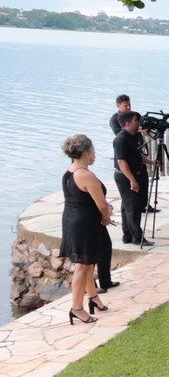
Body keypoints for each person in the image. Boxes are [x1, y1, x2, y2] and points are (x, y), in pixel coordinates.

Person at [60, 135, 113, 324]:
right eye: (93, 151)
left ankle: (93, 298)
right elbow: (102, 205)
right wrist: (106, 217)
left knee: (88, 263)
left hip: (73, 220)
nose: (95, 154)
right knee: (82, 267)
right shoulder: (85, 175)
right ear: (85, 153)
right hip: (84, 225)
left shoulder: (70, 171)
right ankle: (76, 308)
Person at [113, 110, 154, 247]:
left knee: (127, 206)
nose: (138, 124)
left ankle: (127, 235)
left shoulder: (134, 136)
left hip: (136, 172)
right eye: (136, 121)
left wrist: (152, 162)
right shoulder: (121, 139)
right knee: (132, 207)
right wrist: (132, 180)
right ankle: (137, 237)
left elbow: (138, 155)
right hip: (125, 176)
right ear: (127, 123)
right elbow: (121, 162)